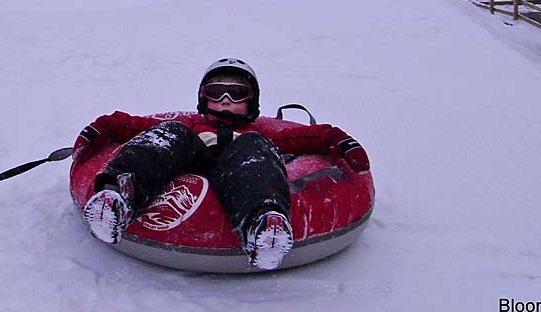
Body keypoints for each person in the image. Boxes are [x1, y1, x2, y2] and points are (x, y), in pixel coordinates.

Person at [74, 58, 370, 270]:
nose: (226, 101)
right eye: (217, 93)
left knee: (254, 148)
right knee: (171, 134)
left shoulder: (259, 132)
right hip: (190, 161)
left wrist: (341, 143)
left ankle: (263, 224)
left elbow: (314, 137)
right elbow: (129, 125)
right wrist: (100, 130)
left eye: (237, 93)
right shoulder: (191, 123)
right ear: (204, 99)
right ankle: (117, 195)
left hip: (240, 170)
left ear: (252, 101)